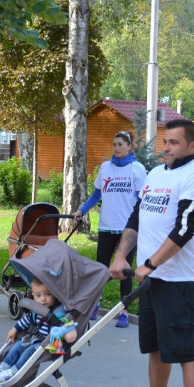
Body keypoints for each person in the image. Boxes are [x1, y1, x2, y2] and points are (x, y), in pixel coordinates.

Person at [110, 119, 194, 387]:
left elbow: (185, 229)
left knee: (186, 353)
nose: (165, 147)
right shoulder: (155, 174)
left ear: (192, 146)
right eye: (165, 141)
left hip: (177, 281)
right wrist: (121, 255)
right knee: (155, 349)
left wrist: (150, 264)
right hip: (149, 280)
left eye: (173, 142)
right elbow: (136, 217)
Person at [73, 131, 147, 327]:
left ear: (129, 146)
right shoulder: (105, 168)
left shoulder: (137, 169)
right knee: (101, 268)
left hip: (127, 229)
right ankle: (94, 305)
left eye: (121, 144)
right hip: (106, 225)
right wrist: (82, 210)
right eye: (114, 144)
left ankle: (124, 311)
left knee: (125, 270)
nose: (117, 148)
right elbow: (96, 195)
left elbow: (142, 200)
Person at [0, 277, 76, 382]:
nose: (43, 299)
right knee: (16, 347)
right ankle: (3, 367)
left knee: (28, 353)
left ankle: (12, 372)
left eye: (48, 295)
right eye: (38, 296)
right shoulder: (35, 311)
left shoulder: (56, 314)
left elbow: (59, 330)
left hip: (43, 344)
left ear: (55, 295)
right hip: (30, 339)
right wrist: (14, 329)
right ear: (33, 296)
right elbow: (25, 321)